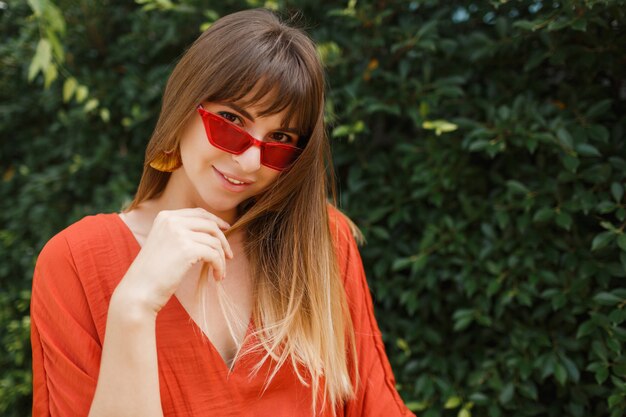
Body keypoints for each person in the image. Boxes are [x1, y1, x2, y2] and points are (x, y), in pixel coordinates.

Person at [30, 8, 415, 417]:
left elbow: (376, 405)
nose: (250, 162)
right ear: (183, 107)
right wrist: (134, 306)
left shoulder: (319, 242)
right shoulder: (76, 261)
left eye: (279, 140)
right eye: (231, 122)